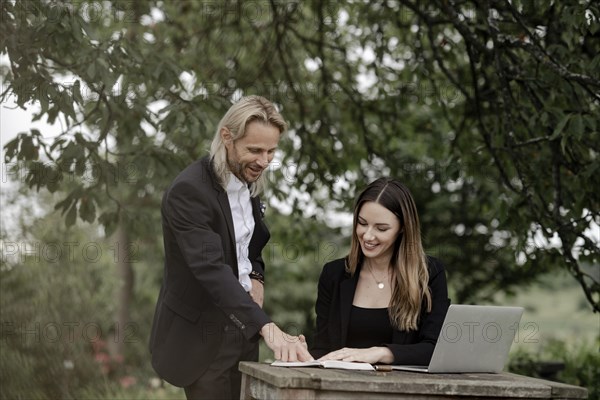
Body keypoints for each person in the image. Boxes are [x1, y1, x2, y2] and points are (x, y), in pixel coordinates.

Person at [149, 95, 313, 400]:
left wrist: (257, 277)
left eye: (271, 152)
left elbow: (249, 246)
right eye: (254, 150)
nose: (264, 161)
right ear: (227, 137)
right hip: (203, 339)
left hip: (244, 330)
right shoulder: (189, 191)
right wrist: (269, 330)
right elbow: (210, 269)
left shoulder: (247, 182)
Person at [310, 178, 450, 365]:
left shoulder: (429, 273)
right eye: (362, 223)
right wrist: (302, 355)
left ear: (402, 228)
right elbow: (322, 349)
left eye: (381, 228)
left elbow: (435, 349)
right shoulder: (334, 274)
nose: (367, 236)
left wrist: (382, 353)